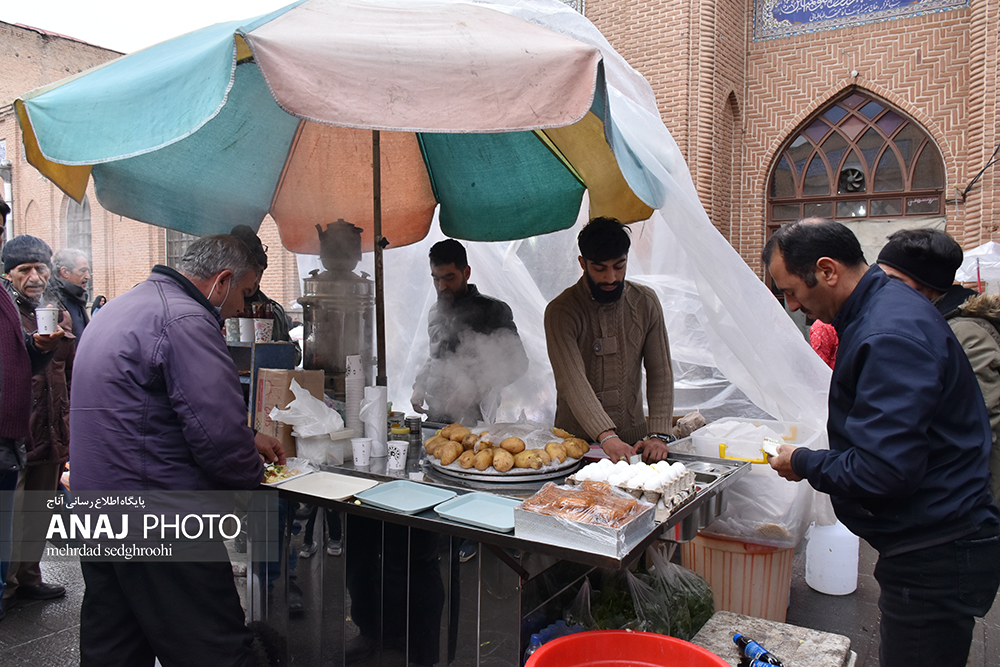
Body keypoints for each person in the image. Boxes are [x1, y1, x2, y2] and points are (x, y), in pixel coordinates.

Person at [764, 218, 1000, 667]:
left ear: (827, 270)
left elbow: (884, 469)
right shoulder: (881, 311)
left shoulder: (889, 331)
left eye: (791, 291)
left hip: (935, 548)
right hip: (930, 538)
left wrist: (805, 462)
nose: (792, 305)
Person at [69, 235, 285, 667]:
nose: (242, 307)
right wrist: (253, 475)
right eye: (245, 293)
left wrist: (248, 437)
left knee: (114, 646)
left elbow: (150, 411)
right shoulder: (186, 319)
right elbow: (218, 438)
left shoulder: (122, 307)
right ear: (222, 282)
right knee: (215, 649)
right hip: (160, 518)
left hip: (99, 510)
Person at [877, 228, 1000, 506]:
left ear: (929, 286)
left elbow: (976, 430)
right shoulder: (925, 323)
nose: (882, 289)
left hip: (972, 500)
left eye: (894, 281)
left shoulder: (965, 334)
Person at [544, 217, 674, 463]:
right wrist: (606, 436)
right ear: (583, 263)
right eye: (600, 268)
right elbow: (572, 380)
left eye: (619, 266)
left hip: (634, 442)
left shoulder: (645, 302)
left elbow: (660, 371)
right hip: (575, 446)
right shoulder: (561, 311)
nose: (611, 277)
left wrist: (658, 434)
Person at [1, 235, 73, 605]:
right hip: (18, 430)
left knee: (39, 511)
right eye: (24, 269)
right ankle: (7, 586)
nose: (34, 277)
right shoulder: (6, 314)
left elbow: (70, 372)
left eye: (40, 268)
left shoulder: (56, 312)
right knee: (11, 514)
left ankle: (29, 577)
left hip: (53, 427)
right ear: (9, 274)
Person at [410, 239, 528, 424]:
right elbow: (435, 357)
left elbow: (518, 363)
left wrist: (475, 388)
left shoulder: (493, 311)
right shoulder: (435, 312)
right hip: (435, 415)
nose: (442, 286)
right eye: (436, 278)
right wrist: (420, 385)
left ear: (466, 272)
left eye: (449, 278)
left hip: (475, 419)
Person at [229, 225, 293, 344]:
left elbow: (293, 350)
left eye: (260, 272)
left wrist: (283, 349)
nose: (255, 281)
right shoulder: (220, 309)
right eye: (251, 274)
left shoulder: (273, 310)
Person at [51, 247, 90, 338]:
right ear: (65, 272)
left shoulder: (77, 297)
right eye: (83, 271)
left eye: (88, 271)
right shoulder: (51, 300)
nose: (88, 276)